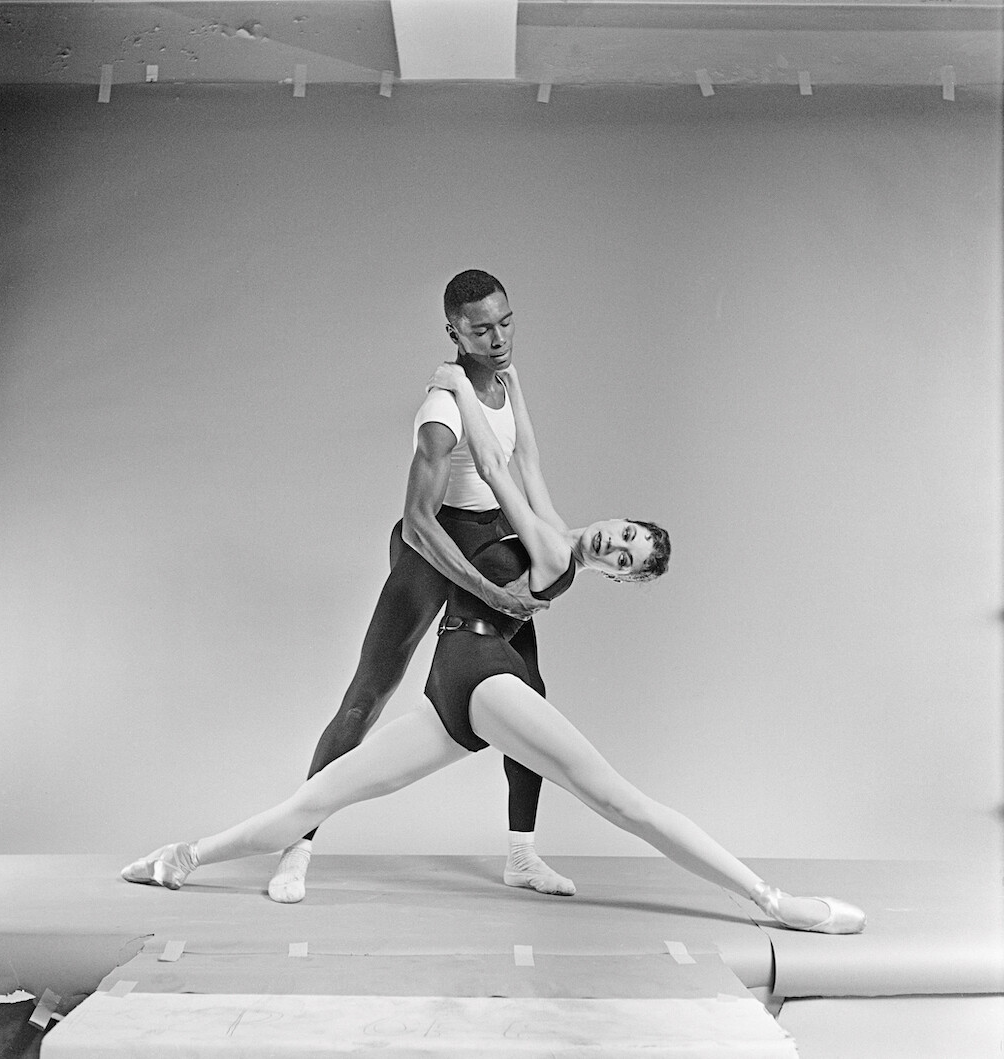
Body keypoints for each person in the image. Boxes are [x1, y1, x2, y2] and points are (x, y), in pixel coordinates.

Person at [122, 361, 866, 936]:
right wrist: (515, 385)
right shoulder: (556, 523)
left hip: (481, 677)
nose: (617, 545)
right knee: (320, 795)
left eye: (626, 560)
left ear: (613, 575)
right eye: (626, 533)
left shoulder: (554, 558)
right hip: (453, 690)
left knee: (619, 798)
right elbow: (531, 456)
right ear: (617, 518)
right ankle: (181, 857)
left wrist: (455, 381)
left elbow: (500, 465)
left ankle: (774, 901)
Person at [268, 270, 573, 904]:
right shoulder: (442, 412)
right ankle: (296, 846)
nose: (498, 338)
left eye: (506, 322)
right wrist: (490, 595)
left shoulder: (503, 384)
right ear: (453, 331)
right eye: (481, 328)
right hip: (432, 551)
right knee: (365, 700)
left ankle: (521, 855)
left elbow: (517, 468)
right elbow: (417, 523)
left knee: (530, 697)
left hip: (489, 541)